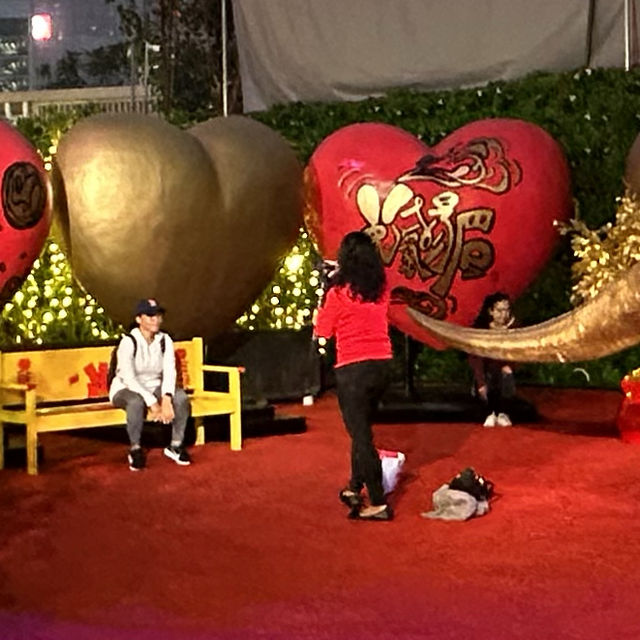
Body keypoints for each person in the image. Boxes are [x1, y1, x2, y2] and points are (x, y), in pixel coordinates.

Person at [314, 231, 394, 521]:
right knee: (361, 431)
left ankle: (377, 501)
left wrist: (326, 294)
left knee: (361, 436)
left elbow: (323, 331)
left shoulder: (337, 293)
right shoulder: (382, 287)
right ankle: (354, 485)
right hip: (382, 364)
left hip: (353, 368)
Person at [109, 298, 191, 471]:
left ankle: (175, 445)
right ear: (139, 319)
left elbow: (170, 370)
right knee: (135, 402)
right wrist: (152, 403)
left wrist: (166, 398)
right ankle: (135, 448)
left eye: (158, 315)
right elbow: (128, 378)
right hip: (125, 387)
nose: (156, 320)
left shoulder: (164, 340)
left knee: (181, 398)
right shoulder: (129, 341)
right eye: (150, 315)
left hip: (154, 385)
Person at [469, 292, 516, 428]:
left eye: (507, 310)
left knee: (506, 374)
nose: (504, 315)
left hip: (503, 374)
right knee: (487, 377)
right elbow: (476, 358)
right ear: (491, 311)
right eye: (500, 311)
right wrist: (481, 382)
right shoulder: (481, 331)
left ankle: (502, 412)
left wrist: (508, 366)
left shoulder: (514, 329)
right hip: (486, 372)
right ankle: (490, 412)